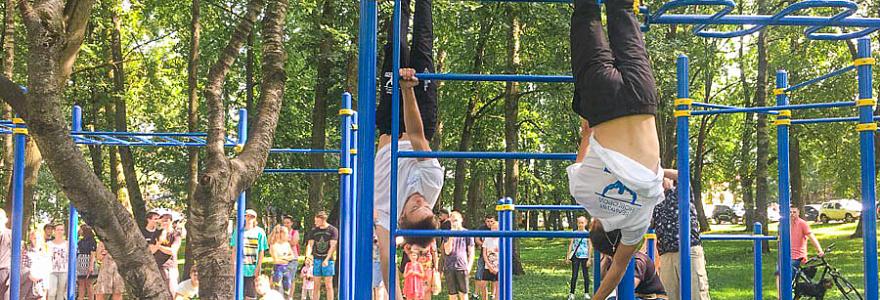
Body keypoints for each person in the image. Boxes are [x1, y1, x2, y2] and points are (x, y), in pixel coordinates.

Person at [567, 0, 672, 296]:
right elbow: (586, 134)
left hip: (642, 102)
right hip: (602, 103)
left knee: (622, 10)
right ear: (596, 224)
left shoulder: (638, 224)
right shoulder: (585, 194)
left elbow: (619, 268)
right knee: (586, 13)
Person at [374, 0, 444, 295]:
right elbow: (416, 135)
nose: (419, 198)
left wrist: (395, 294)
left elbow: (388, 255)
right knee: (423, 47)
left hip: (391, 125)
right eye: (425, 204)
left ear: (402, 220)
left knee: (397, 48)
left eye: (414, 206)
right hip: (419, 121)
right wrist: (409, 89)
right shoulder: (433, 183)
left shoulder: (388, 214)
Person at [651, 176, 710, 300]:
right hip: (666, 254)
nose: (661, 181)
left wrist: (659, 171)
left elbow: (681, 174)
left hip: (689, 250)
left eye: (664, 178)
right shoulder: (655, 200)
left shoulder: (681, 192)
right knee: (668, 295)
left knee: (696, 294)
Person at [592, 221, 667, 300]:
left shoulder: (637, 260)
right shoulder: (615, 259)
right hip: (637, 295)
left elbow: (629, 286)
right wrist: (606, 259)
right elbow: (601, 276)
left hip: (653, 297)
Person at [776, 205, 824, 295]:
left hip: (797, 256)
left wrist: (819, 250)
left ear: (798, 212)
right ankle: (780, 296)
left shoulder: (802, 223)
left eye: (794, 212)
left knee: (787, 275)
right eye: (790, 212)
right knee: (778, 273)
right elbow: (779, 237)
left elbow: (811, 236)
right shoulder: (783, 224)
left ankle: (786, 294)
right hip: (785, 254)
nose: (792, 214)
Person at [229, 209, 269, 300]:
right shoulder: (238, 231)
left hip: (252, 268)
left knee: (251, 295)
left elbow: (261, 251)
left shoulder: (260, 232)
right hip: (240, 267)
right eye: (247, 215)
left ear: (255, 218)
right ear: (244, 217)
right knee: (238, 294)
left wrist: (258, 267)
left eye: (252, 216)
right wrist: (234, 264)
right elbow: (234, 249)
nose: (249, 218)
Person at [305, 211, 338, 300]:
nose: (315, 223)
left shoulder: (332, 230)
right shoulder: (314, 231)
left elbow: (333, 246)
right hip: (317, 259)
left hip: (328, 260)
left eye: (317, 221)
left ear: (323, 220)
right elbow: (310, 245)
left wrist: (326, 259)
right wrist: (307, 256)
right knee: (316, 285)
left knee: (328, 285)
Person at [443, 211, 474, 300]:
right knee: (452, 295)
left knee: (463, 294)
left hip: (462, 266)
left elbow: (471, 252)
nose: (454, 223)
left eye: (456, 220)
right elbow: (447, 251)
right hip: (449, 267)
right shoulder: (447, 234)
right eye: (452, 221)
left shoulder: (467, 233)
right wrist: (451, 237)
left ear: (461, 220)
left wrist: (469, 266)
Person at [155, 212, 182, 294]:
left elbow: (172, 251)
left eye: (166, 220)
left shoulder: (176, 234)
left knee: (172, 290)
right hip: (157, 266)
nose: (164, 222)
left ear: (171, 221)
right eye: (162, 220)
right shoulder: (156, 234)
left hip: (170, 267)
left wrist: (158, 246)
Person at [567, 216, 592, 300]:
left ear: (585, 223)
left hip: (585, 256)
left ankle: (586, 293)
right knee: (574, 275)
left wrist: (589, 259)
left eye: (582, 222)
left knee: (586, 276)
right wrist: (567, 257)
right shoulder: (574, 233)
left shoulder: (588, 234)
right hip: (576, 256)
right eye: (579, 223)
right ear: (577, 223)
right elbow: (571, 245)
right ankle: (572, 293)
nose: (580, 224)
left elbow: (590, 247)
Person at [21, 229, 50, 300]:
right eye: (34, 238)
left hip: (41, 283)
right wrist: (29, 276)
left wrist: (46, 285)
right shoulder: (26, 251)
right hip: (28, 282)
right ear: (30, 238)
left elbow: (47, 269)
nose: (36, 240)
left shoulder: (45, 252)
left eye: (38, 238)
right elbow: (22, 266)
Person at [269, 225, 296, 295]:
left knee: (287, 287)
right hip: (277, 269)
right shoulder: (274, 245)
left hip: (286, 268)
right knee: (277, 288)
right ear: (281, 234)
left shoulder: (287, 244)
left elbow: (292, 256)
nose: (288, 235)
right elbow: (276, 260)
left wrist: (283, 258)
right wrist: (286, 259)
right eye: (287, 233)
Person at [473, 215, 494, 300]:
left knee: (493, 276)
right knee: (479, 274)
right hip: (483, 255)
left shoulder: (496, 228)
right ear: (485, 221)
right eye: (488, 221)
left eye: (491, 221)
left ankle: (493, 295)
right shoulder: (482, 228)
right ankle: (476, 294)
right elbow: (477, 239)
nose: (490, 223)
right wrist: (484, 245)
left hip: (494, 257)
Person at [281, 215, 301, 299]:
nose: (286, 224)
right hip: (281, 258)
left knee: (291, 278)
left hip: (292, 258)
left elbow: (294, 242)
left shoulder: (294, 232)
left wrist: (284, 239)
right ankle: (282, 295)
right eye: (284, 223)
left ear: (291, 223)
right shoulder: (280, 232)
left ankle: (290, 296)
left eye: (288, 223)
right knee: (281, 278)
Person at [75, 225, 97, 300]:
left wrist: (91, 266)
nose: (79, 231)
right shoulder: (80, 241)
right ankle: (80, 298)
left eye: (80, 229)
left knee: (89, 284)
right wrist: (77, 235)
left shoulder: (92, 240)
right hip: (80, 261)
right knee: (81, 283)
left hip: (88, 261)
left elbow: (93, 253)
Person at [48, 223, 68, 300]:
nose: (59, 231)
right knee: (52, 292)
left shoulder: (67, 244)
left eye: (61, 229)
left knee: (61, 292)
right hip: (51, 271)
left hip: (63, 270)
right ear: (54, 231)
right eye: (58, 229)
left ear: (64, 231)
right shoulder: (49, 244)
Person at [481, 220, 500, 300]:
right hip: (488, 266)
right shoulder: (487, 239)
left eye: (496, 228)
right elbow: (484, 254)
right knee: (483, 284)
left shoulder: (501, 239)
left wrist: (497, 268)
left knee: (497, 285)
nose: (494, 230)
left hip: (498, 266)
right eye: (493, 228)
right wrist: (489, 265)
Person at [0, 209, 11, 300]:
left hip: (5, 272)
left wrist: (12, 275)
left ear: (5, 220)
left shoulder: (11, 234)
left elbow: (18, 256)